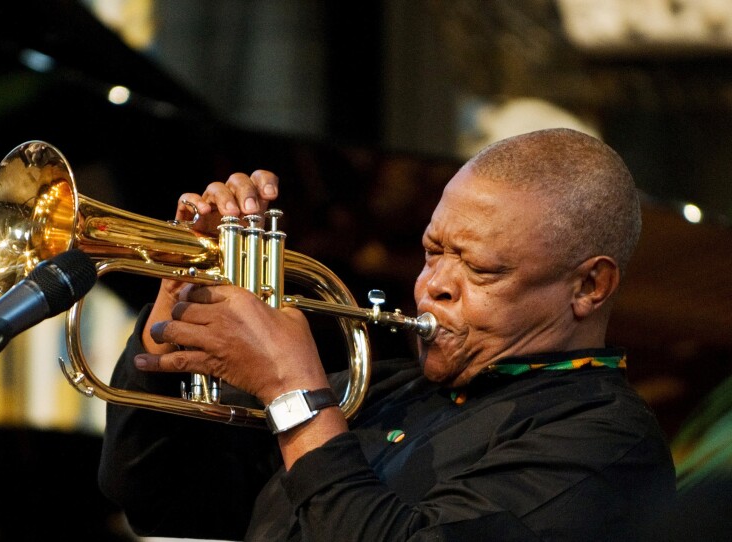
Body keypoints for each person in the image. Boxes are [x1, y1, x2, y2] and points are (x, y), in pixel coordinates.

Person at [98, 128, 676, 541]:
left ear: (589, 287)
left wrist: (294, 397)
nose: (433, 288)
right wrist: (172, 316)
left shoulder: (606, 443)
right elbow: (160, 497)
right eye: (432, 252)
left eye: (481, 269)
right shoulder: (378, 390)